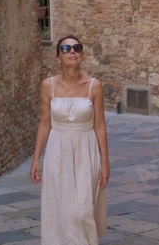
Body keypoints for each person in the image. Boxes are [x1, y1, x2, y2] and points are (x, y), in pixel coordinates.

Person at [30, 34, 109, 245]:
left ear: (82, 55)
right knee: (61, 209)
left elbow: (99, 126)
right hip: (58, 150)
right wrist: (36, 158)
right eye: (66, 49)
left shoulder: (94, 86)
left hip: (86, 149)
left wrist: (104, 162)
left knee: (82, 211)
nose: (72, 51)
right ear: (58, 57)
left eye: (76, 48)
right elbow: (45, 123)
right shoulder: (48, 86)